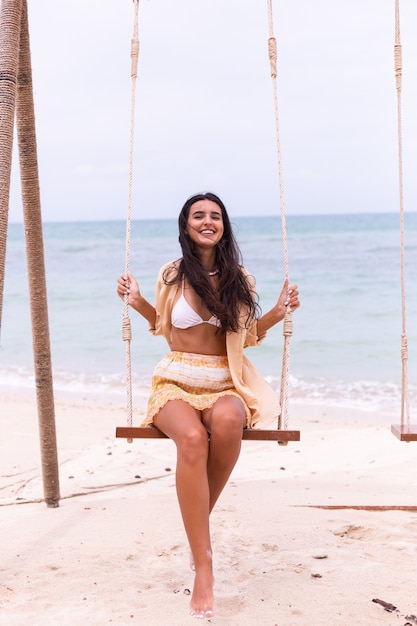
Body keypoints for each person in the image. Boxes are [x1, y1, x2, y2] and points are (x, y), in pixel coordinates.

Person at [117, 192, 300, 619]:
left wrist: (277, 311)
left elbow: (245, 336)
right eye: (198, 215)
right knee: (194, 439)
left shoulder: (241, 278)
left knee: (232, 420)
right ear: (185, 225)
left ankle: (195, 527)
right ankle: (204, 564)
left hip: (223, 379)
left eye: (215, 216)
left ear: (224, 226)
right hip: (175, 379)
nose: (207, 221)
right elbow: (162, 325)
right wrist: (136, 299)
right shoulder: (172, 273)